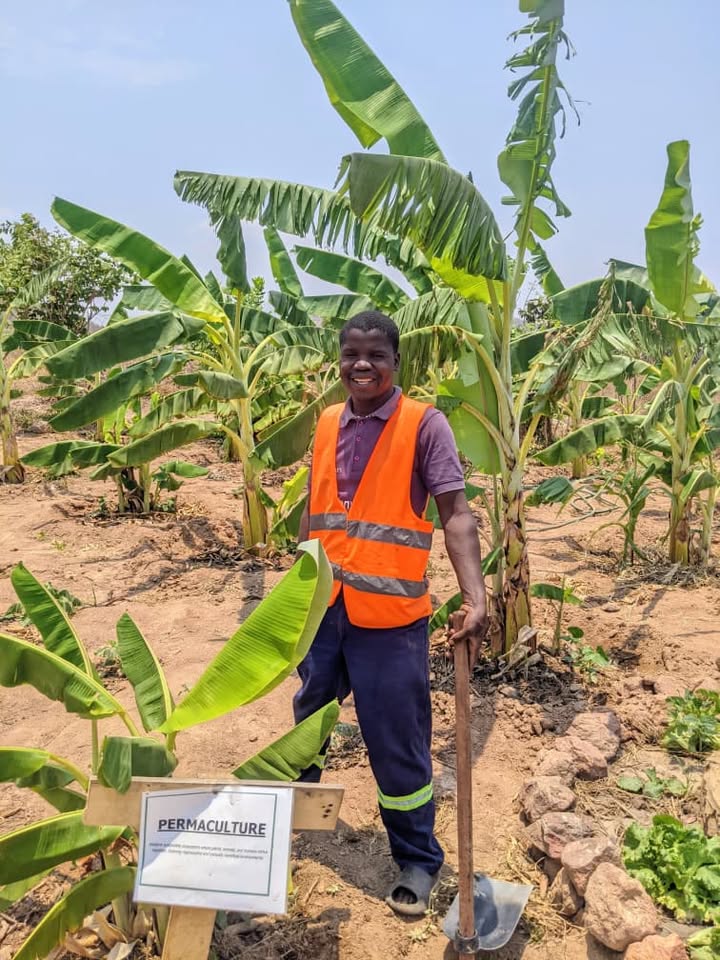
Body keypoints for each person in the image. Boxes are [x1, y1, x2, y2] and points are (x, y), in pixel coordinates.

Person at [295, 310, 488, 916]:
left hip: (390, 620)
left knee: (396, 742)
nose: (361, 365)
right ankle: (298, 819)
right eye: (351, 353)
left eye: (375, 355)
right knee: (308, 722)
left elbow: (455, 513)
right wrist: (294, 587)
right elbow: (315, 506)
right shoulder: (327, 422)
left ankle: (416, 858)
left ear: (396, 361)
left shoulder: (423, 426)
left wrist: (476, 596)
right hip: (324, 609)